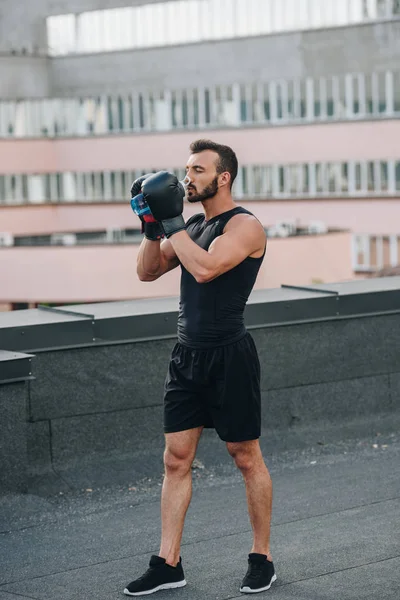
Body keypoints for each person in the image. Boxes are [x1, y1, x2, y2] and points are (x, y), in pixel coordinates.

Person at [125, 139, 275, 596]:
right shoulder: (192, 225)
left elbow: (207, 269)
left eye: (197, 170)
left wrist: (172, 224)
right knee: (175, 460)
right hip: (186, 356)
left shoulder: (245, 227)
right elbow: (147, 273)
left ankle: (261, 558)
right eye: (186, 169)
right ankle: (168, 562)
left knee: (245, 457)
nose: (186, 178)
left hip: (230, 356)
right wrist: (152, 227)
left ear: (222, 176)